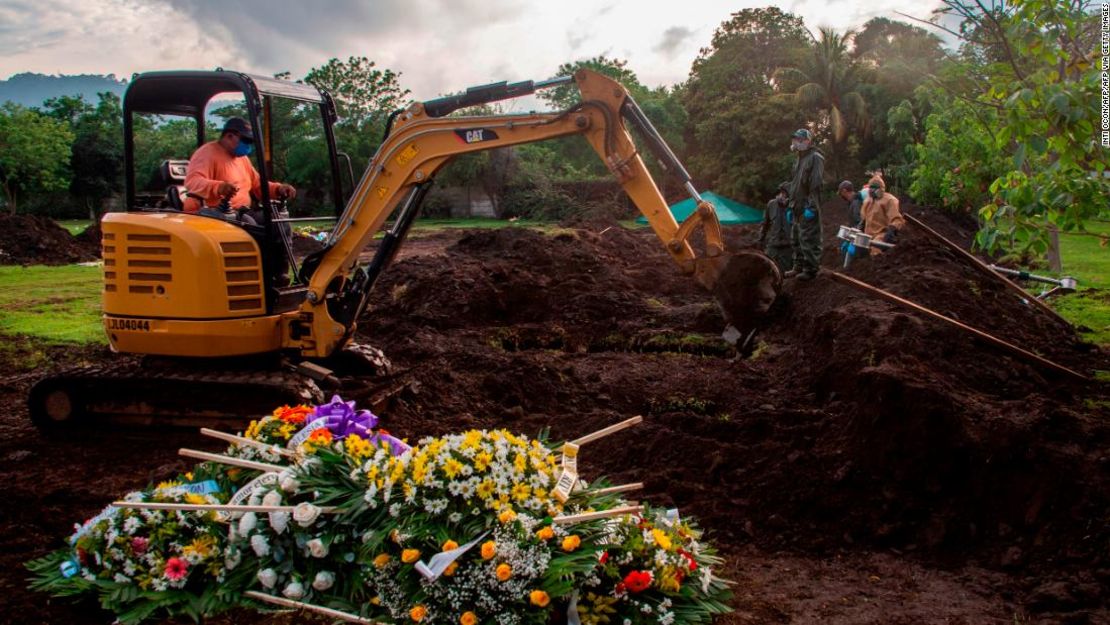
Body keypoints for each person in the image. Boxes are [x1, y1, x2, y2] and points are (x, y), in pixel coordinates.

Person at [183, 117, 296, 224]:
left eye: (250, 141)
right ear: (229, 136)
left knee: (277, 221)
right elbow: (193, 182)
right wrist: (219, 187)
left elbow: (257, 185)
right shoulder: (207, 153)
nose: (248, 145)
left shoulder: (242, 159)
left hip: (240, 212)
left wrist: (278, 189)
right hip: (215, 212)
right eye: (245, 140)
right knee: (249, 223)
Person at [785, 128, 824, 280]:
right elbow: (795, 185)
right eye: (795, 139)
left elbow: (815, 185)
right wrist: (790, 205)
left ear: (807, 141)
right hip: (796, 205)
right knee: (796, 238)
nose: (795, 142)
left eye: (799, 140)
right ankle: (798, 266)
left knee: (809, 238)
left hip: (808, 206)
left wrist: (812, 206)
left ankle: (811, 269)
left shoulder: (815, 158)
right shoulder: (798, 159)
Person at [858, 176, 904, 255]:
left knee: (875, 249)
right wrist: (862, 224)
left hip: (881, 233)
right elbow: (864, 216)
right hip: (868, 234)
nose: (871, 190)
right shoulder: (868, 200)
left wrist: (892, 230)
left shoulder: (889, 200)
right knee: (856, 246)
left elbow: (896, 219)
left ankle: (877, 264)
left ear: (881, 189)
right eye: (871, 187)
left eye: (874, 188)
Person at [758, 182, 793, 272]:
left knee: (787, 272)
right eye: (782, 193)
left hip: (788, 246)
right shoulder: (771, 205)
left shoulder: (793, 206)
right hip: (773, 245)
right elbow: (765, 224)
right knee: (766, 268)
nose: (783, 196)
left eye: (786, 195)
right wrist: (761, 240)